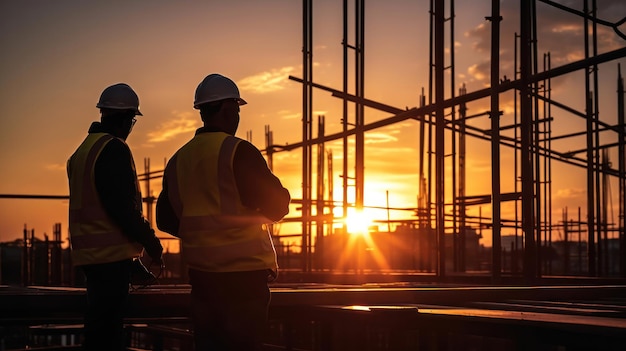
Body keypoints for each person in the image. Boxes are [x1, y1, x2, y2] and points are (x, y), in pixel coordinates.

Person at [156, 73, 290, 350]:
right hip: (244, 280)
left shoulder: (179, 159)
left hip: (203, 281)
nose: (238, 116)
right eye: (237, 109)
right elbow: (278, 205)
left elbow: (165, 220)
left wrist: (201, 237)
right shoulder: (238, 151)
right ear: (229, 110)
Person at [67, 83, 164, 351]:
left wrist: (131, 262)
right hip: (109, 261)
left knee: (99, 329)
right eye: (133, 120)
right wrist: (152, 243)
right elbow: (122, 208)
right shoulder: (113, 149)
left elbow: (100, 207)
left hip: (93, 258)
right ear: (126, 119)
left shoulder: (82, 151)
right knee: (107, 336)